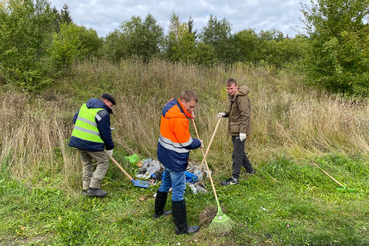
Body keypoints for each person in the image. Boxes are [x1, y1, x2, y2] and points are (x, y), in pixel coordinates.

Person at [154, 90, 203, 235]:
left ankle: (158, 212)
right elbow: (186, 142)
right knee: (179, 190)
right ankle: (181, 228)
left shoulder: (170, 105)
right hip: (175, 158)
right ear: (183, 101)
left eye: (193, 107)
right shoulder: (179, 119)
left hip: (164, 154)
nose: (192, 110)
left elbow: (181, 114)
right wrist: (198, 142)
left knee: (166, 183)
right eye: (190, 107)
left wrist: (188, 114)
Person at [68, 93, 116, 197]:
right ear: (105, 101)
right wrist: (109, 148)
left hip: (78, 139)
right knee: (103, 162)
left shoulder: (84, 106)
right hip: (91, 142)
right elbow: (106, 133)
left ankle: (85, 189)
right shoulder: (102, 113)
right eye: (111, 105)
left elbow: (75, 119)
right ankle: (94, 188)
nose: (110, 107)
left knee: (87, 164)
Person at [218, 78, 255, 186]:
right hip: (235, 129)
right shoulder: (234, 97)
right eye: (228, 89)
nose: (230, 91)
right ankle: (250, 170)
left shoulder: (241, 97)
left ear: (236, 86)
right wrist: (225, 114)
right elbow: (234, 113)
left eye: (231, 88)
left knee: (236, 154)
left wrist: (242, 132)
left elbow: (245, 115)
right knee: (240, 152)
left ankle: (234, 179)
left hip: (240, 130)